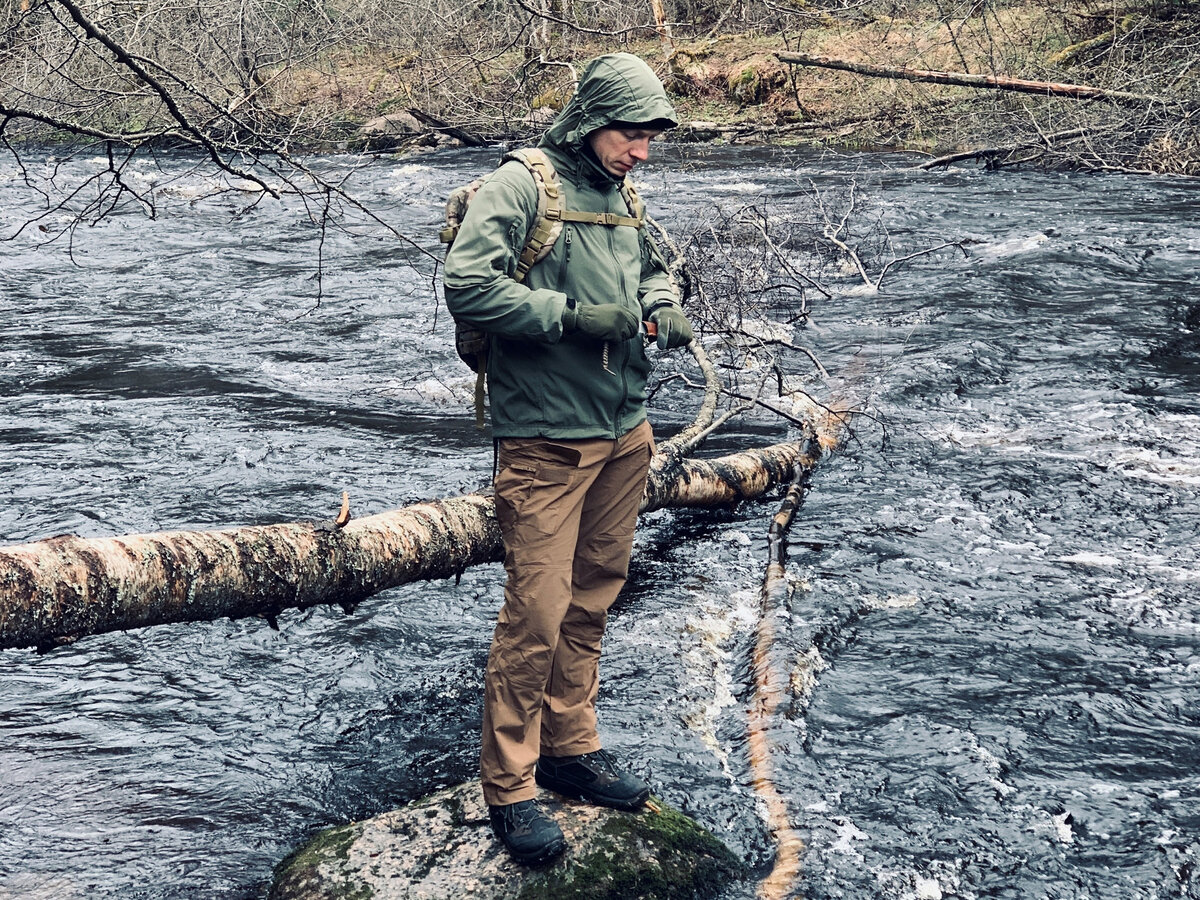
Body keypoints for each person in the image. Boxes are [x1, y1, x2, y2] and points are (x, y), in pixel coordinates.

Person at [442, 52, 695, 865]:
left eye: (651, 138)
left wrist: (662, 307)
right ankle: (511, 788)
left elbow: (652, 270)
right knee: (537, 615)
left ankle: (572, 747)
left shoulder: (620, 189)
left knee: (593, 599)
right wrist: (573, 317)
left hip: (626, 428)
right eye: (632, 135)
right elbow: (467, 287)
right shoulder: (520, 185)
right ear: (591, 122)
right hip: (546, 436)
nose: (642, 152)